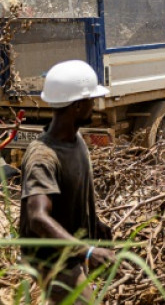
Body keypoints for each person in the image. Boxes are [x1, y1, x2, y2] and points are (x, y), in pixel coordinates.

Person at [19, 60, 115, 304]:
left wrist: (94, 223)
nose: (94, 106)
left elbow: (71, 195)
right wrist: (87, 251)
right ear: (77, 106)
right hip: (53, 265)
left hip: (70, 256)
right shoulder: (43, 157)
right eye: (91, 101)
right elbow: (38, 217)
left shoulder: (76, 140)